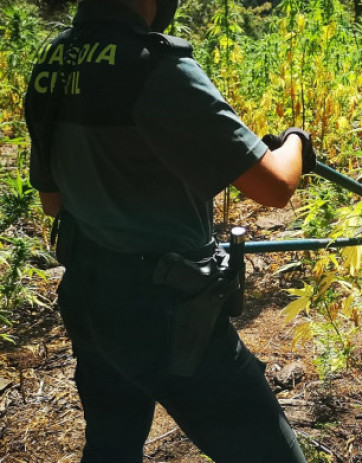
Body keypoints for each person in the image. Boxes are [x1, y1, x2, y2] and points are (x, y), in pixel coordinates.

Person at [24, 0, 312, 461]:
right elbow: (275, 187)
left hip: (89, 296)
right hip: (165, 313)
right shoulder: (154, 66)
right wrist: (296, 141)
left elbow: (53, 201)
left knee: (111, 447)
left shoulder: (53, 60)